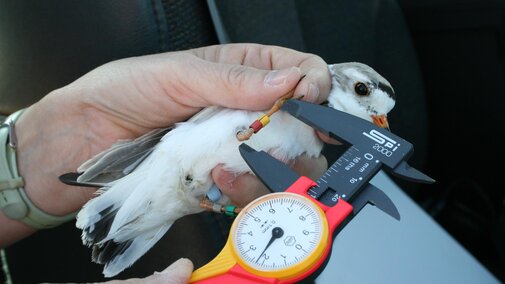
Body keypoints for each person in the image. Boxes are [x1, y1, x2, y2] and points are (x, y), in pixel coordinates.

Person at [0, 43, 331, 283]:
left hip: (179, 187)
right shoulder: (289, 90)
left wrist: (35, 151)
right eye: (361, 90)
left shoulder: (310, 130)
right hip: (171, 159)